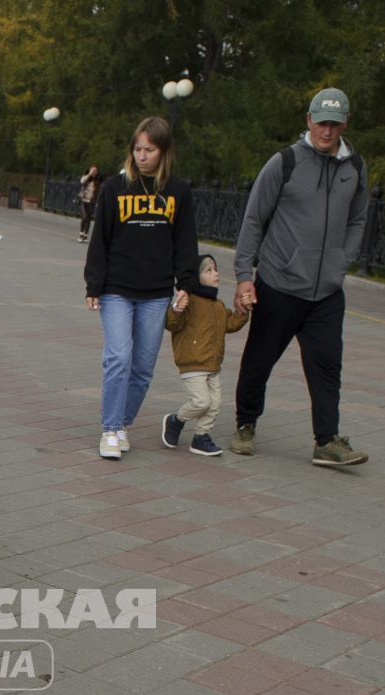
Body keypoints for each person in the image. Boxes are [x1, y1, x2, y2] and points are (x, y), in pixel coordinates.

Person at [229, 87, 371, 467]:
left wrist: (344, 259)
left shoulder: (354, 167)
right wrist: (245, 275)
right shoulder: (285, 162)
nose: (327, 131)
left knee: (327, 366)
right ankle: (245, 425)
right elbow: (254, 218)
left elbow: (358, 218)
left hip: (326, 291)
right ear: (309, 120)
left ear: (345, 124)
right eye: (321, 123)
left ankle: (326, 440)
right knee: (259, 360)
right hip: (279, 283)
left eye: (334, 124)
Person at [83, 116, 199, 461]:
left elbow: (185, 242)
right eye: (137, 149)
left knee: (143, 366)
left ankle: (122, 425)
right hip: (116, 288)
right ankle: (109, 429)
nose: (142, 156)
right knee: (118, 356)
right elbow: (100, 239)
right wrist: (94, 284)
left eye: (149, 150)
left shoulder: (178, 191)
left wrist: (186, 285)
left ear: (164, 152)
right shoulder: (115, 188)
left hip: (157, 291)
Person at [160, 254, 250, 457]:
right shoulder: (189, 300)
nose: (215, 273)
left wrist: (244, 311)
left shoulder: (217, 305)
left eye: (216, 269)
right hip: (192, 363)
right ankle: (175, 420)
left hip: (213, 364)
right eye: (208, 270)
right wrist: (175, 308)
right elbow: (171, 324)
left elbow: (230, 324)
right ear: (196, 277)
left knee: (215, 404)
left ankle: (201, 436)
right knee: (201, 402)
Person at [76, 165, 101, 243]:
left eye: (95, 171)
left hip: (91, 201)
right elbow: (82, 181)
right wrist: (89, 174)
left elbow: (98, 191)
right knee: (84, 216)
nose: (94, 172)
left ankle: (85, 235)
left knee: (89, 218)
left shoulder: (97, 180)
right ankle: (81, 234)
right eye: (92, 170)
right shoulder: (86, 177)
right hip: (83, 200)